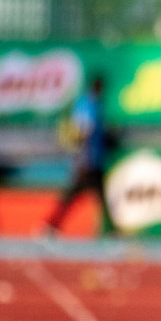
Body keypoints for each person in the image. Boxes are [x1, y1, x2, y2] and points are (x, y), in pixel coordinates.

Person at [46, 74, 111, 235]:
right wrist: (83, 160)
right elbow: (82, 133)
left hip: (93, 159)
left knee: (98, 195)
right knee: (77, 195)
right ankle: (51, 224)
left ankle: (51, 225)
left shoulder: (94, 104)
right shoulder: (87, 105)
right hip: (88, 160)